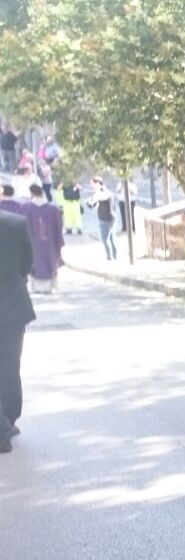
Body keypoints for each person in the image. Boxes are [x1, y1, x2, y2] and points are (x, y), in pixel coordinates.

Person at [0, 202, 32, 454]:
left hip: (11, 306)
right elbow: (26, 264)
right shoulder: (15, 223)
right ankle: (8, 419)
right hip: (11, 306)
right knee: (10, 366)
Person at [22, 185, 62, 294]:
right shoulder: (53, 208)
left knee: (34, 261)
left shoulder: (26, 208)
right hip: (50, 242)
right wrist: (59, 242)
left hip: (32, 242)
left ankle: (35, 287)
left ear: (32, 193)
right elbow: (59, 227)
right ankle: (50, 287)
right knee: (50, 261)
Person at [91, 177, 117, 260]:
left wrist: (96, 192)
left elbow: (101, 198)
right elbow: (94, 203)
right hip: (106, 217)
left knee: (104, 239)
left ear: (97, 183)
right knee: (111, 238)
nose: (91, 185)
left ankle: (110, 256)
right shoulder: (101, 192)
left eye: (92, 183)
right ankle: (114, 256)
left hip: (106, 218)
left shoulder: (104, 192)